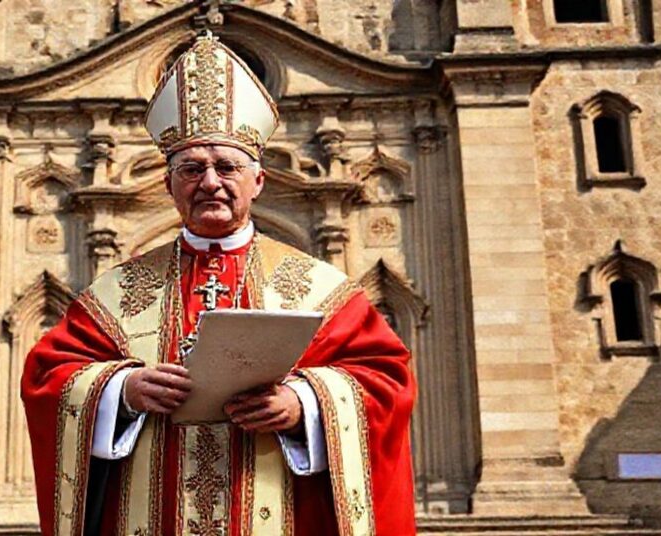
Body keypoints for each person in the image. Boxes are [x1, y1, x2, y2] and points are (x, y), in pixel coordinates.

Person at [22, 31, 417, 536]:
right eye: (191, 168)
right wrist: (122, 389)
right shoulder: (118, 293)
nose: (209, 181)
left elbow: (387, 382)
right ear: (168, 185)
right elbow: (45, 377)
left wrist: (305, 404)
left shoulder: (320, 288)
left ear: (258, 181)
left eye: (226, 166)